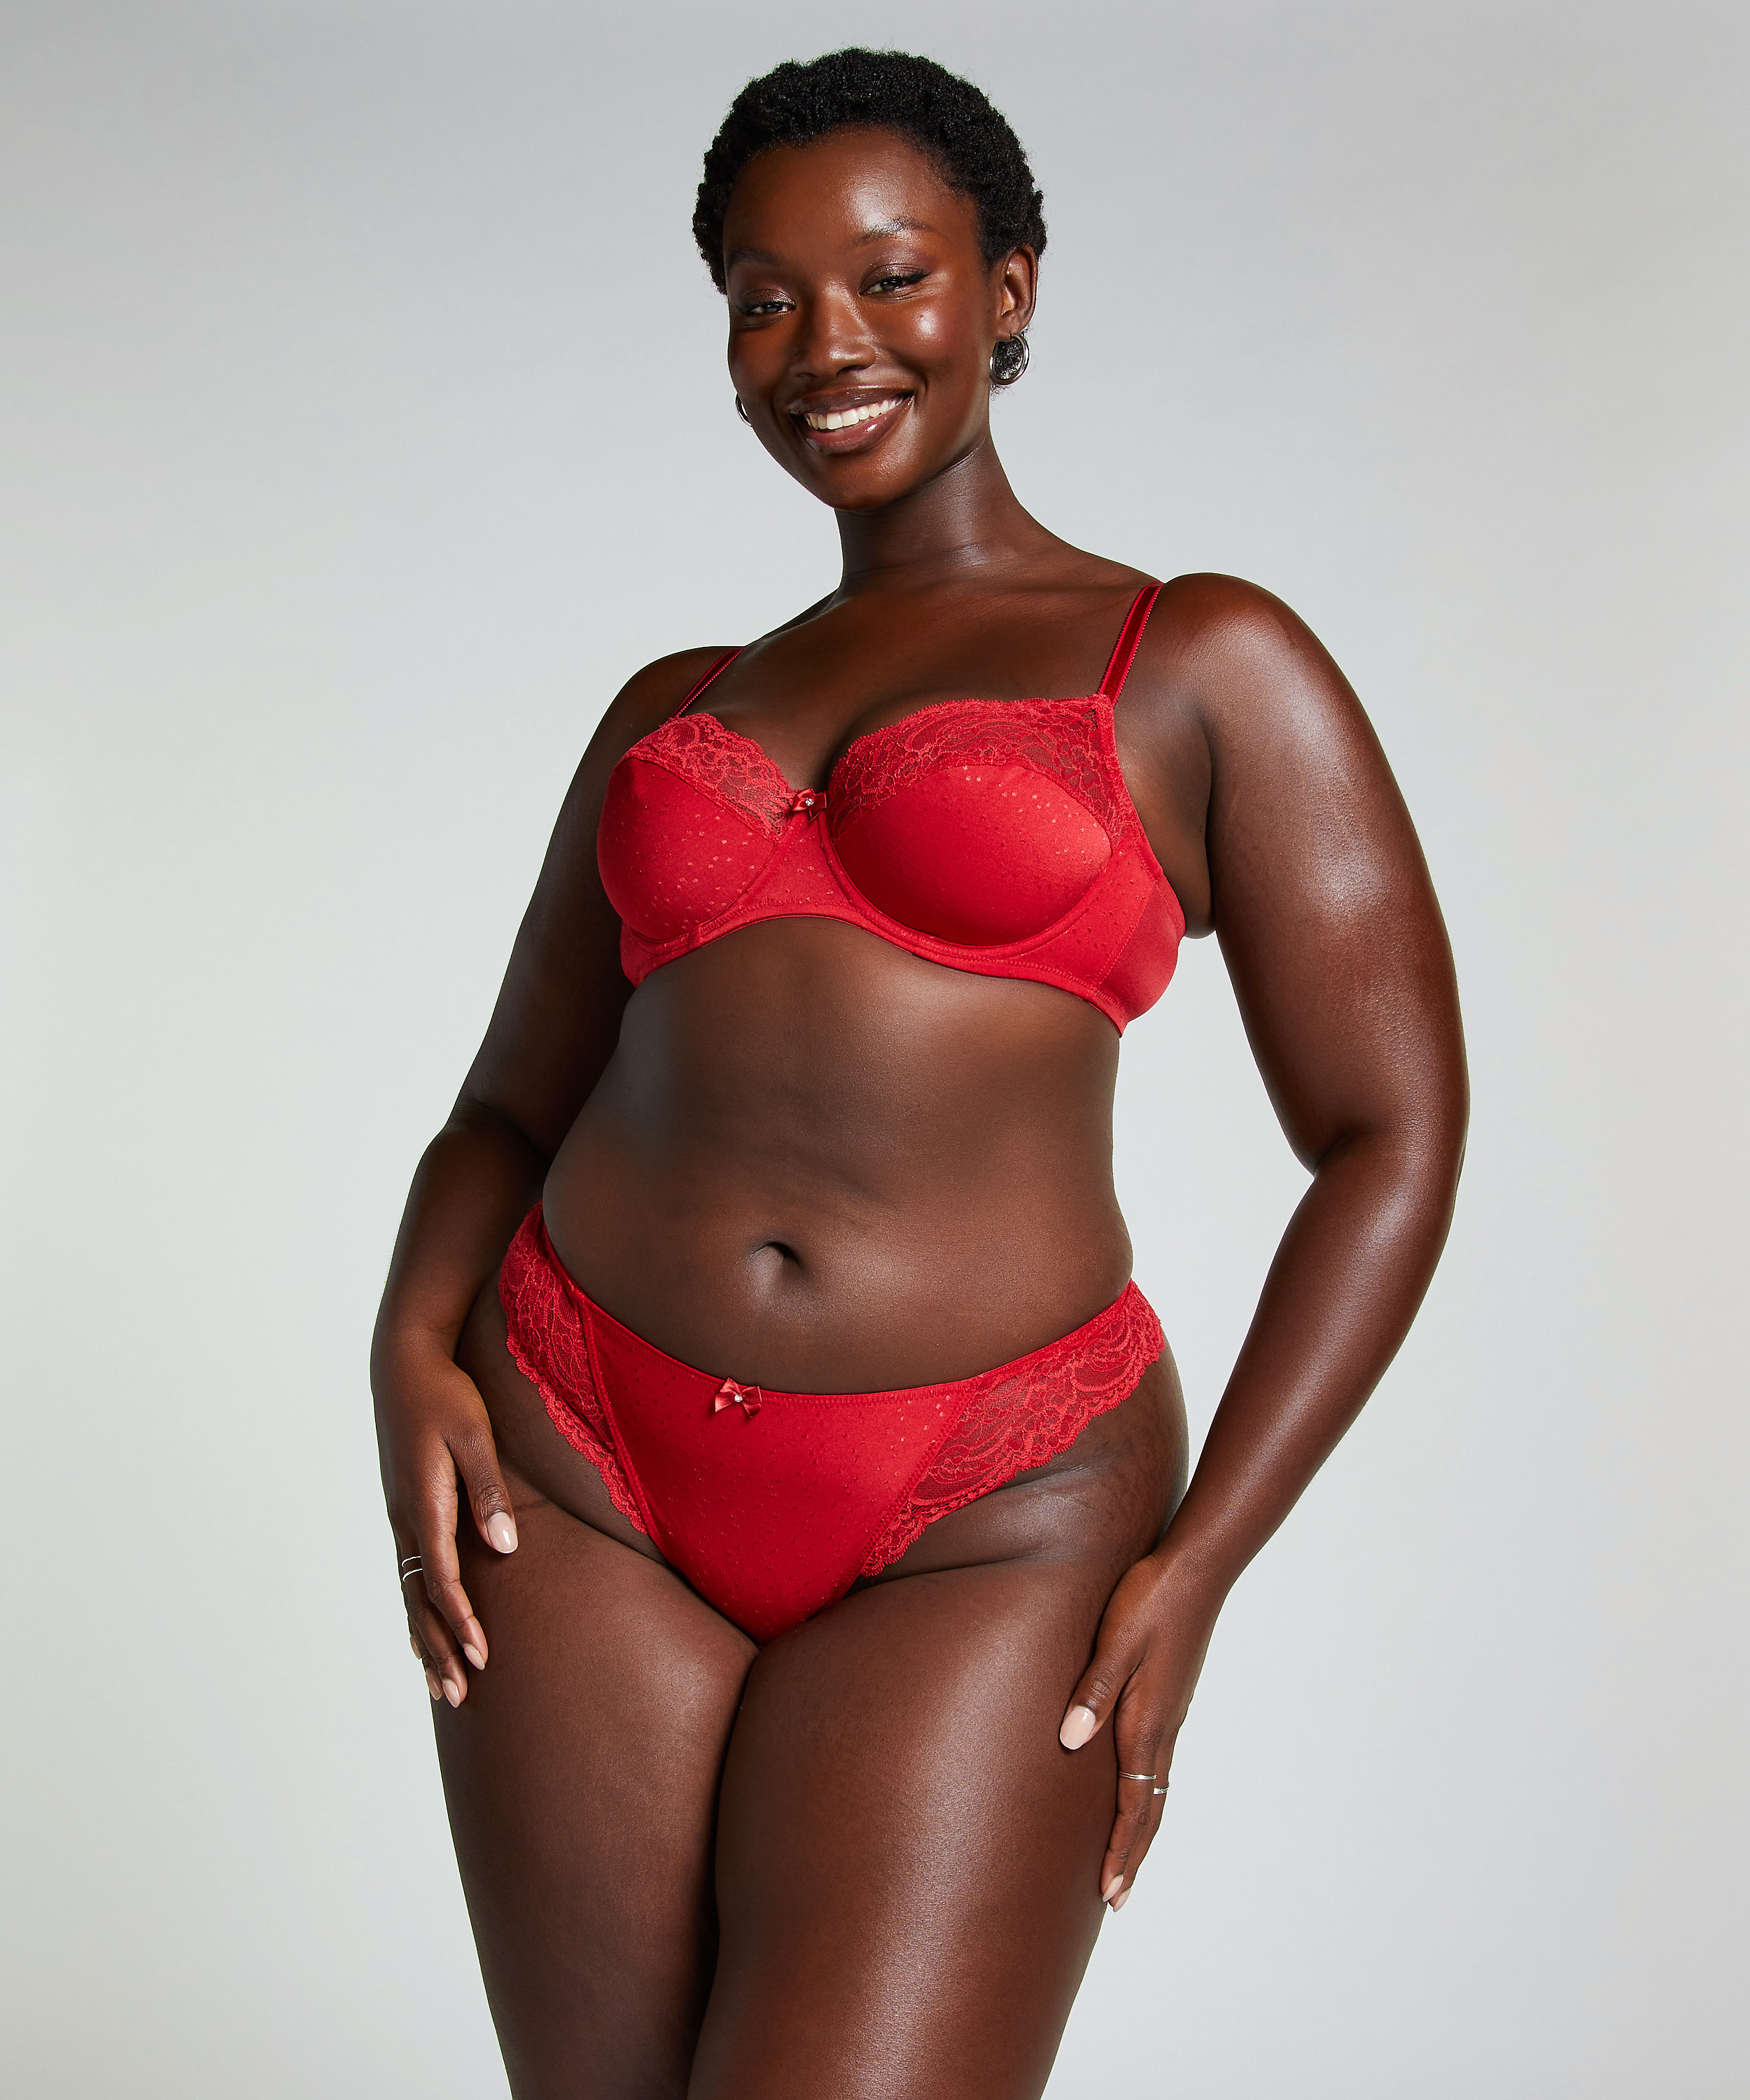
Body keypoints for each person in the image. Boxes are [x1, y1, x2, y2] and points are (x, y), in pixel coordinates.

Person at [371, 46, 1466, 2100]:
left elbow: (1388, 1134)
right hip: (575, 1459)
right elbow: (504, 1109)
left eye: (890, 278)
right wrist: (404, 1352)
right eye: (763, 299)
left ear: (1010, 287)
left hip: (993, 1507)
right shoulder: (676, 701)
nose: (826, 346)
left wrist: (1203, 1559)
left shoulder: (1198, 661)